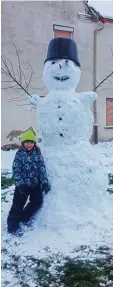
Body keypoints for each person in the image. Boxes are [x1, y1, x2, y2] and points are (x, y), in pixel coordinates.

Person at [7, 130, 50, 233]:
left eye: (31, 142)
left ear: (34, 143)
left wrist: (44, 181)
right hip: (22, 185)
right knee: (17, 205)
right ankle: (13, 226)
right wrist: (20, 184)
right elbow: (16, 170)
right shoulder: (20, 154)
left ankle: (23, 217)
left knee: (37, 202)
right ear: (23, 143)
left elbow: (41, 167)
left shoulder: (37, 153)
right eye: (27, 142)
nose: (29, 144)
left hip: (35, 184)